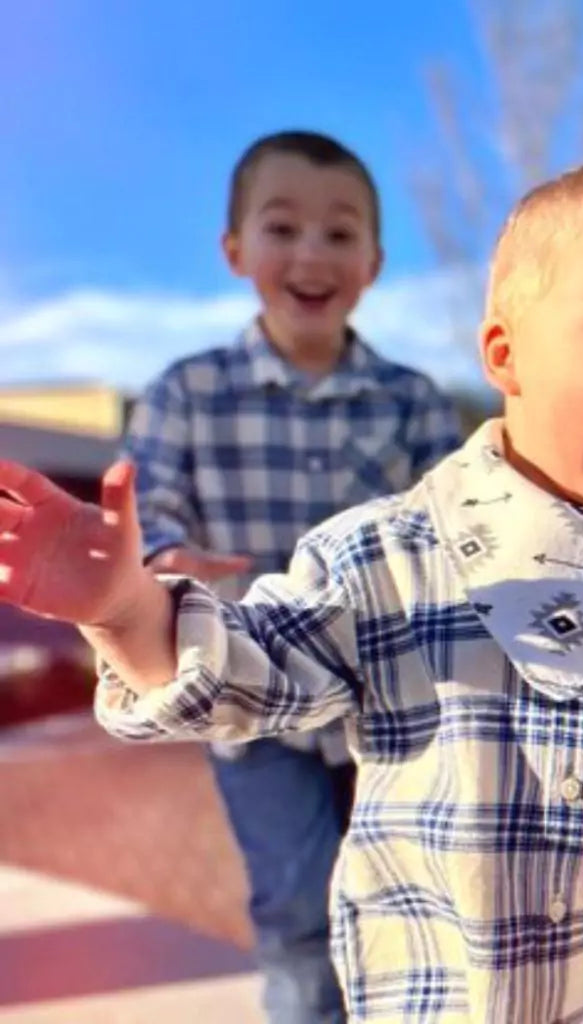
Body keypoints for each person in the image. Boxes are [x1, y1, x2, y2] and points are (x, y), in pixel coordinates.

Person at [0, 157, 583, 1024]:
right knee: (292, 902)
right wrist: (127, 611)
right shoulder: (381, 556)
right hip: (434, 999)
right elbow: (252, 668)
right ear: (506, 355)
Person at [119, 129, 463, 1023]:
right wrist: (159, 561)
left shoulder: (413, 402)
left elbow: (460, 529)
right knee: (296, 908)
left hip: (388, 705)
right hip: (250, 708)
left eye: (340, 234)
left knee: (410, 901)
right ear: (235, 251)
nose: (312, 253)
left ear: (375, 262)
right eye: (283, 228)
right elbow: (150, 509)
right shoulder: (184, 394)